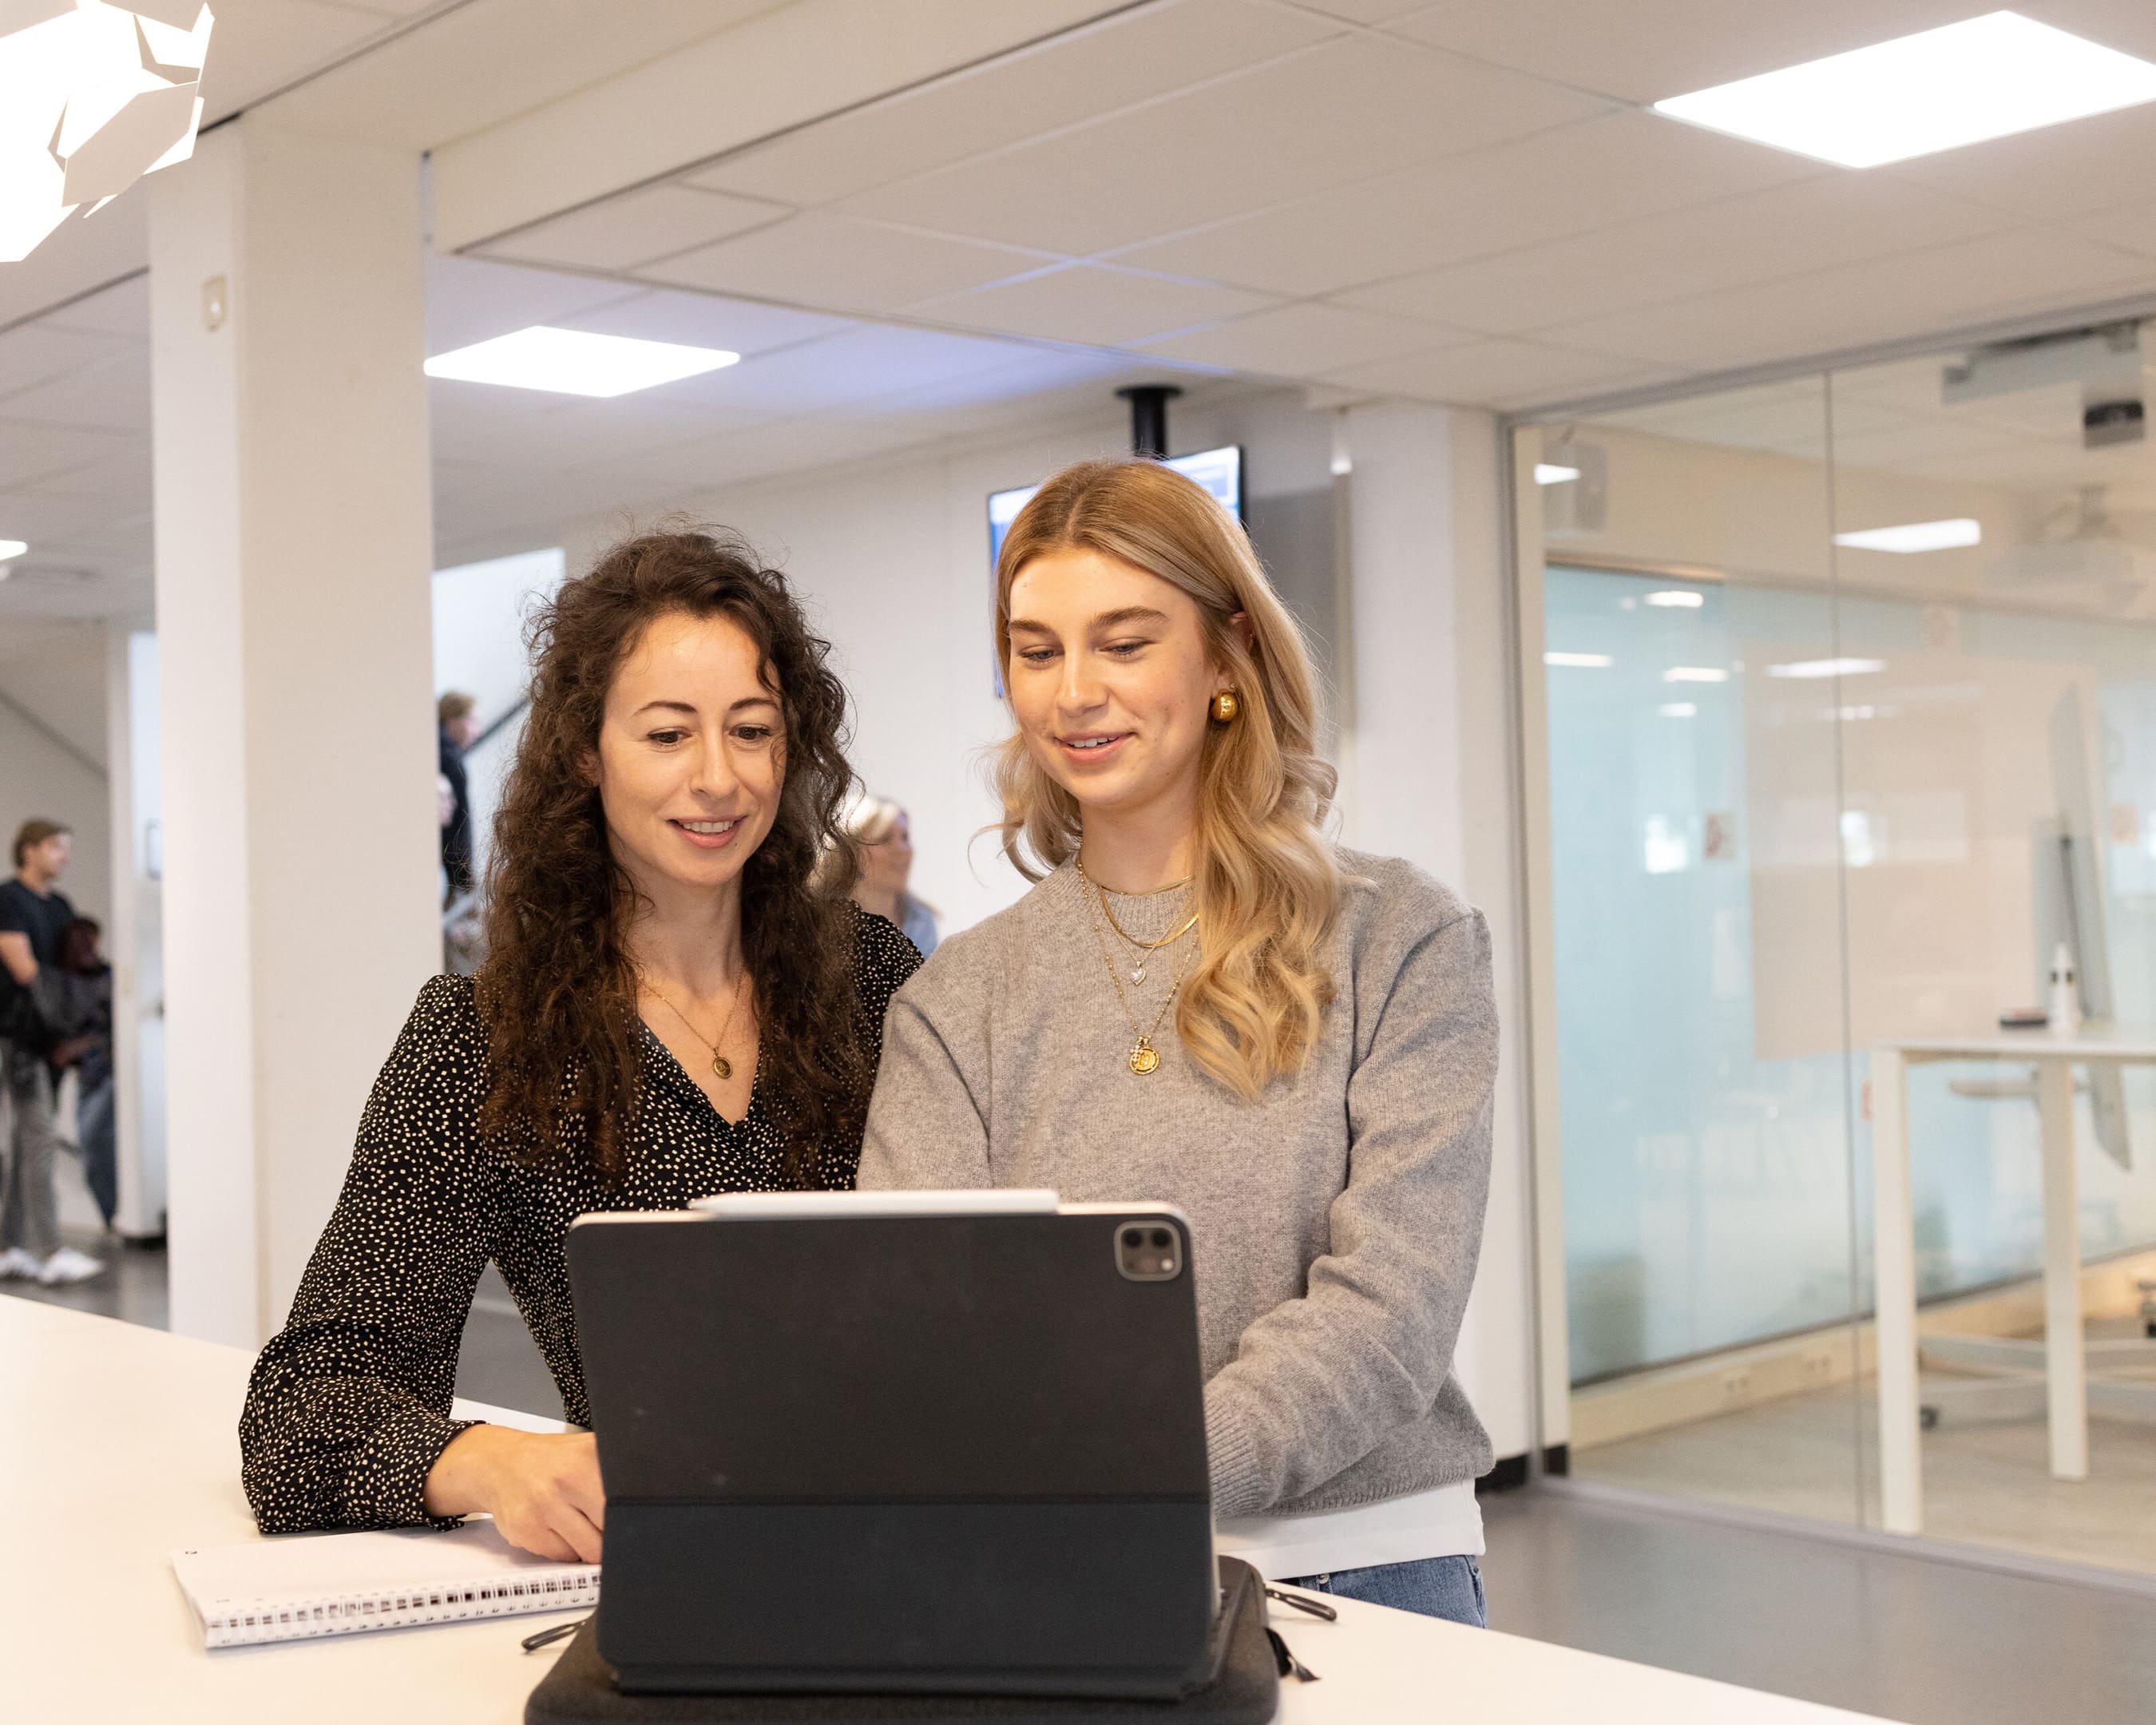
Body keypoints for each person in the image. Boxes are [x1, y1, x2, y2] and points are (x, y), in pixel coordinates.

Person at [858, 459, 1499, 1627]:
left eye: (1125, 641)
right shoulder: (959, 998)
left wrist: (1133, 1476)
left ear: (1227, 656)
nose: (1074, 693)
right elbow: (929, 1320)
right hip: (1057, 1568)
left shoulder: (1400, 936)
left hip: (1365, 1572)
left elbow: (1391, 1309)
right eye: (1037, 650)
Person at [241, 529, 921, 1560]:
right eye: (666, 735)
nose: (718, 778)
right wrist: (489, 1461)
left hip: (918, 1538)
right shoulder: (482, 1042)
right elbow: (299, 1416)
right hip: (673, 1571)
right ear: (581, 751)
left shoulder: (874, 983)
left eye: (752, 730)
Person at [0, 820, 103, 1285]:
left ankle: (8, 1247)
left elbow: (71, 965)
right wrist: (70, 997)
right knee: (39, 1138)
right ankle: (51, 1250)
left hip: (51, 1043)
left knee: (27, 1144)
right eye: (56, 847)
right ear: (29, 850)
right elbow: (24, 969)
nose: (64, 856)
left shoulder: (61, 906)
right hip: (17, 1040)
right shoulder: (9, 901)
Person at [46, 916, 117, 1231]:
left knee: (93, 1141)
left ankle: (112, 1215)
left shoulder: (106, 979)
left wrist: (80, 1047)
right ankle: (109, 1216)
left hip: (106, 1073)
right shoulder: (65, 981)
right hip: (86, 1077)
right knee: (89, 1146)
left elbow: (114, 1027)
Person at [838, 791, 938, 957]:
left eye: (905, 838)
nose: (904, 850)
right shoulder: (823, 922)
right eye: (884, 839)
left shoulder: (922, 918)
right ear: (851, 852)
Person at [438, 690, 478, 902]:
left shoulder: (438, 751)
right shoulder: (450, 759)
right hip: (450, 862)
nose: (476, 730)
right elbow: (458, 824)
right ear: (453, 721)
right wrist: (465, 877)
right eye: (471, 720)